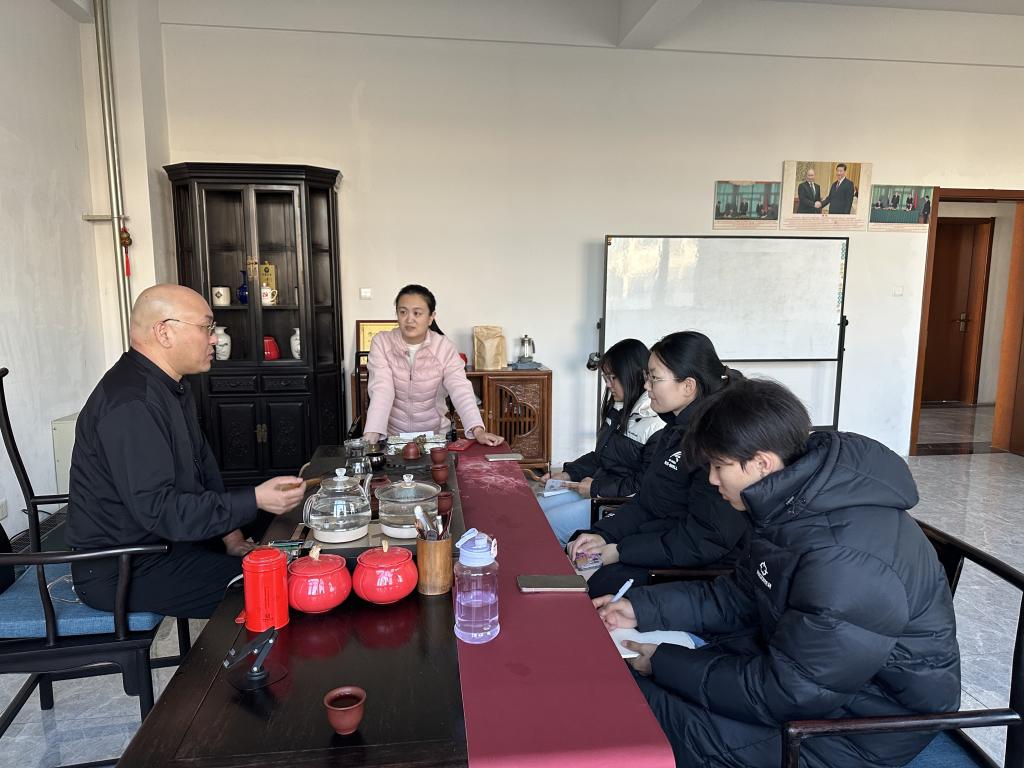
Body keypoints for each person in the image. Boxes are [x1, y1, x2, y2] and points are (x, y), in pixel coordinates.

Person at [596, 379, 960, 768]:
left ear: (762, 463)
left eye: (719, 466)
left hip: (862, 726)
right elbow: (737, 595)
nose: (713, 481)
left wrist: (664, 663)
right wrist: (640, 609)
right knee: (626, 686)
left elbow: (793, 693)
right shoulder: (793, 505)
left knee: (637, 708)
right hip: (812, 681)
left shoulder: (844, 560)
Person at [67, 285, 308, 618]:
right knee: (284, 585)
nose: (214, 339)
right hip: (127, 567)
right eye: (206, 327)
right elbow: (161, 511)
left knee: (290, 522)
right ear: (164, 332)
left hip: (170, 541)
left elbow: (203, 472)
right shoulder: (131, 403)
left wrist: (232, 537)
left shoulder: (170, 386)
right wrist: (254, 499)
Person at [567, 332, 749, 597]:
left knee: (588, 584)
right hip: (657, 543)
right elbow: (647, 502)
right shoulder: (673, 431)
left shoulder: (718, 443)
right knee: (576, 547)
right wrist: (604, 535)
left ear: (688, 386)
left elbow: (704, 540)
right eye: (647, 377)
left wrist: (620, 550)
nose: (646, 386)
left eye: (654, 378)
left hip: (691, 568)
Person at [539, 339, 664, 547]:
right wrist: (569, 474)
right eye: (606, 377)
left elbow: (644, 485)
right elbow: (602, 457)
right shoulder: (618, 408)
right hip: (598, 487)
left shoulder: (655, 423)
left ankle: (559, 563)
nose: (607, 384)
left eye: (613, 377)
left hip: (617, 503)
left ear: (634, 374)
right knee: (539, 507)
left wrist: (597, 488)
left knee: (548, 525)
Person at [362, 284, 502, 446]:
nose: (409, 319)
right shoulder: (382, 343)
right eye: (403, 312)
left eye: (417, 313)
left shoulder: (444, 347)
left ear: (431, 317)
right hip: (394, 438)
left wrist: (478, 430)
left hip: (435, 439)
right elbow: (382, 390)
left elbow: (460, 388)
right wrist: (371, 435)